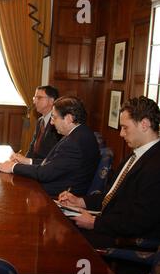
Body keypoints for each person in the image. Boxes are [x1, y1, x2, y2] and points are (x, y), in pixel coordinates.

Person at [58, 96, 160, 248]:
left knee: (63, 237)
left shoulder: (156, 165)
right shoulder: (136, 155)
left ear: (144, 124)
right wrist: (80, 201)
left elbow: (141, 220)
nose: (121, 134)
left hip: (127, 240)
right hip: (110, 224)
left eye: (125, 128)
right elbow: (111, 197)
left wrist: (95, 222)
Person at [0, 96, 99, 197]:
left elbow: (45, 173)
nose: (51, 122)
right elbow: (54, 164)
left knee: (10, 191)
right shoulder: (80, 133)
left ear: (68, 118)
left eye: (54, 117)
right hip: (56, 185)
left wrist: (13, 167)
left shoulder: (74, 142)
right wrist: (27, 161)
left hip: (58, 195)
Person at [11, 85, 62, 165]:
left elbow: (53, 159)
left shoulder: (58, 124)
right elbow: (32, 147)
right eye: (34, 98)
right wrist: (22, 161)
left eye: (39, 98)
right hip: (35, 165)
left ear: (51, 101)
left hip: (46, 168)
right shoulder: (40, 121)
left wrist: (27, 162)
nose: (34, 102)